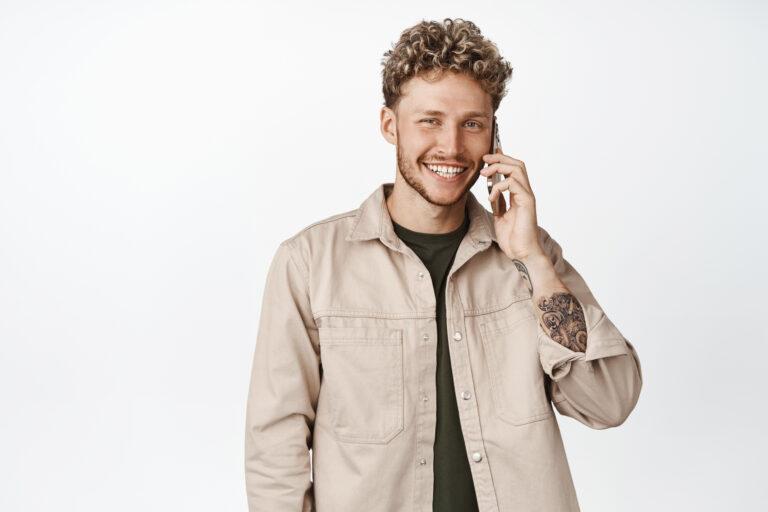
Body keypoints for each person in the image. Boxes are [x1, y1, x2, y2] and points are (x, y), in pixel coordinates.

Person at [244, 17, 642, 512]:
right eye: (429, 120)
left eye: (472, 124)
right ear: (390, 125)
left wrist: (534, 261)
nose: (452, 147)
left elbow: (610, 402)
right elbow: (274, 448)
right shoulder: (308, 263)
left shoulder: (529, 256)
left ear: (494, 136)